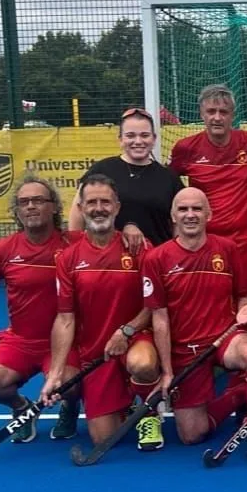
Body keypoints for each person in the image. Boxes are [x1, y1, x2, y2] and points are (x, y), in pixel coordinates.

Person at [140, 188, 247, 463]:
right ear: (173, 216)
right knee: (192, 435)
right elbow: (159, 318)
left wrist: (244, 313)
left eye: (197, 209)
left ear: (209, 214)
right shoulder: (156, 258)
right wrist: (167, 371)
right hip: (185, 350)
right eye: (183, 209)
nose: (190, 215)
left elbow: (244, 296)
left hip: (225, 340)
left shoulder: (227, 249)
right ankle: (238, 395)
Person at [45, 174, 166, 451]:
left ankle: (149, 412)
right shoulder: (68, 258)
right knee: (104, 439)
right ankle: (125, 401)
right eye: (92, 202)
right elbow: (65, 319)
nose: (99, 208)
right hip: (97, 354)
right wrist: (55, 373)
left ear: (117, 207)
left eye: (105, 202)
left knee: (143, 364)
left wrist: (127, 331)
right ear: (81, 208)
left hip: (135, 337)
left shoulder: (139, 247)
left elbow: (155, 304)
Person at [0, 176, 80, 443]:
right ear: (16, 210)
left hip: (66, 342)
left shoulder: (74, 244)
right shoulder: (4, 248)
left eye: (38, 200)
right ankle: (22, 408)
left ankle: (71, 407)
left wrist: (131, 229)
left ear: (54, 207)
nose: (30, 206)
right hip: (21, 340)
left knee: (70, 384)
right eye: (23, 202)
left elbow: (109, 238)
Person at [169, 85, 247, 298]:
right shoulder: (186, 148)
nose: (217, 118)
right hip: (205, 245)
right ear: (202, 113)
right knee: (211, 303)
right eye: (211, 111)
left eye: (223, 112)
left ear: (232, 115)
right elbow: (166, 185)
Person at [69, 107, 182, 249]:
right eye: (130, 136)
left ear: (154, 139)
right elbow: (77, 212)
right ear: (121, 140)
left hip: (156, 256)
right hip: (109, 257)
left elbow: (178, 225)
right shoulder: (101, 170)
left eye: (144, 135)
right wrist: (75, 249)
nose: (138, 141)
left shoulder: (169, 178)